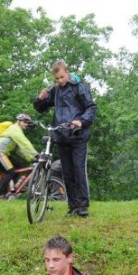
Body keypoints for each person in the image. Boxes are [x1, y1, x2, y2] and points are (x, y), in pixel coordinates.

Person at [33, 60, 97, 217]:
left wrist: (81, 121)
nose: (60, 81)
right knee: (67, 173)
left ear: (67, 72)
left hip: (77, 136)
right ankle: (73, 206)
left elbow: (91, 107)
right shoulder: (55, 90)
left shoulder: (79, 87)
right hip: (61, 136)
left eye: (62, 77)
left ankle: (82, 207)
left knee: (78, 170)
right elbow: (40, 108)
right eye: (57, 79)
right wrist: (40, 99)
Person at [0, 114, 38, 198]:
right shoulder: (14, 129)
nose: (26, 124)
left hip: (3, 152)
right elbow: (24, 143)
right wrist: (36, 154)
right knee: (11, 171)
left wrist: (32, 158)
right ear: (18, 121)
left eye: (27, 123)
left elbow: (21, 149)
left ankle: (10, 190)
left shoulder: (17, 130)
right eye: (24, 122)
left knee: (18, 165)